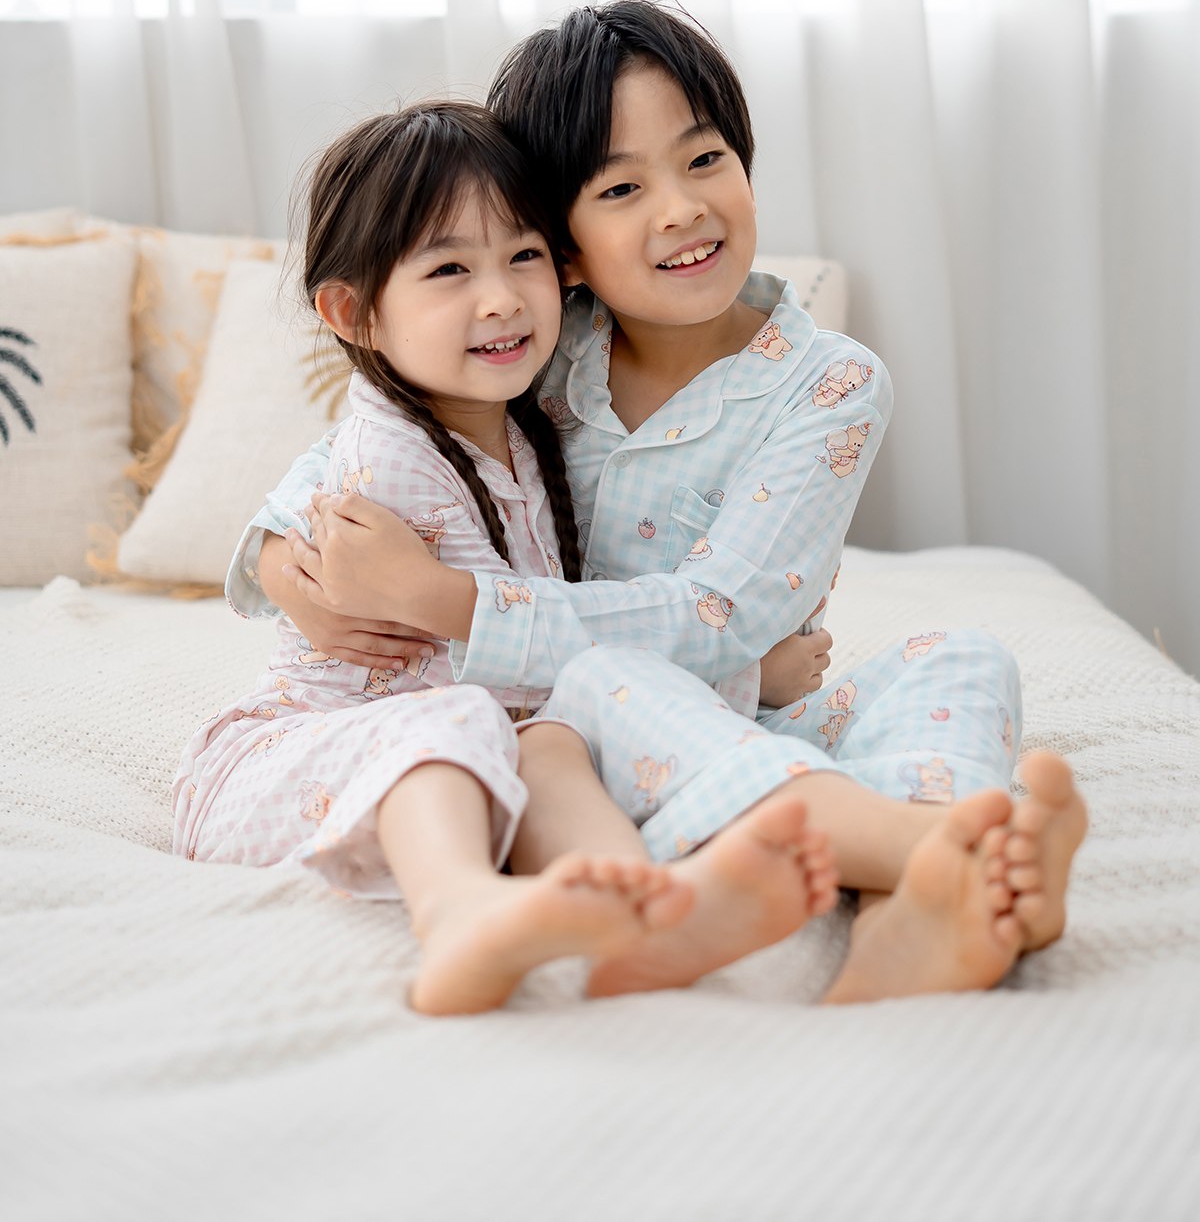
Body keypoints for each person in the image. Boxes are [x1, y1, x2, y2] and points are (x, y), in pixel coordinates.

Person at [244, 1, 1088, 1003]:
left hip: (737, 719)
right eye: (621, 186)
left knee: (960, 657)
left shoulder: (828, 385)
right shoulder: (539, 343)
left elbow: (723, 612)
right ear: (562, 240)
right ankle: (934, 850)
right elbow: (384, 424)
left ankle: (921, 907)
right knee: (611, 683)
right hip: (579, 733)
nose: (680, 209)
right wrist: (277, 558)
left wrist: (452, 603)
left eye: (705, 160)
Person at [174, 100, 841, 1018]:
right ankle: (460, 913)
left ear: (565, 270)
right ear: (353, 313)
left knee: (544, 745)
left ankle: (639, 904)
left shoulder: (523, 421)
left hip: (447, 744)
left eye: (522, 256)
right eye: (450, 269)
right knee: (473, 729)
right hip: (279, 770)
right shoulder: (397, 460)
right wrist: (741, 675)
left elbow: (539, 660)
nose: (499, 298)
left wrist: (735, 656)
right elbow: (498, 668)